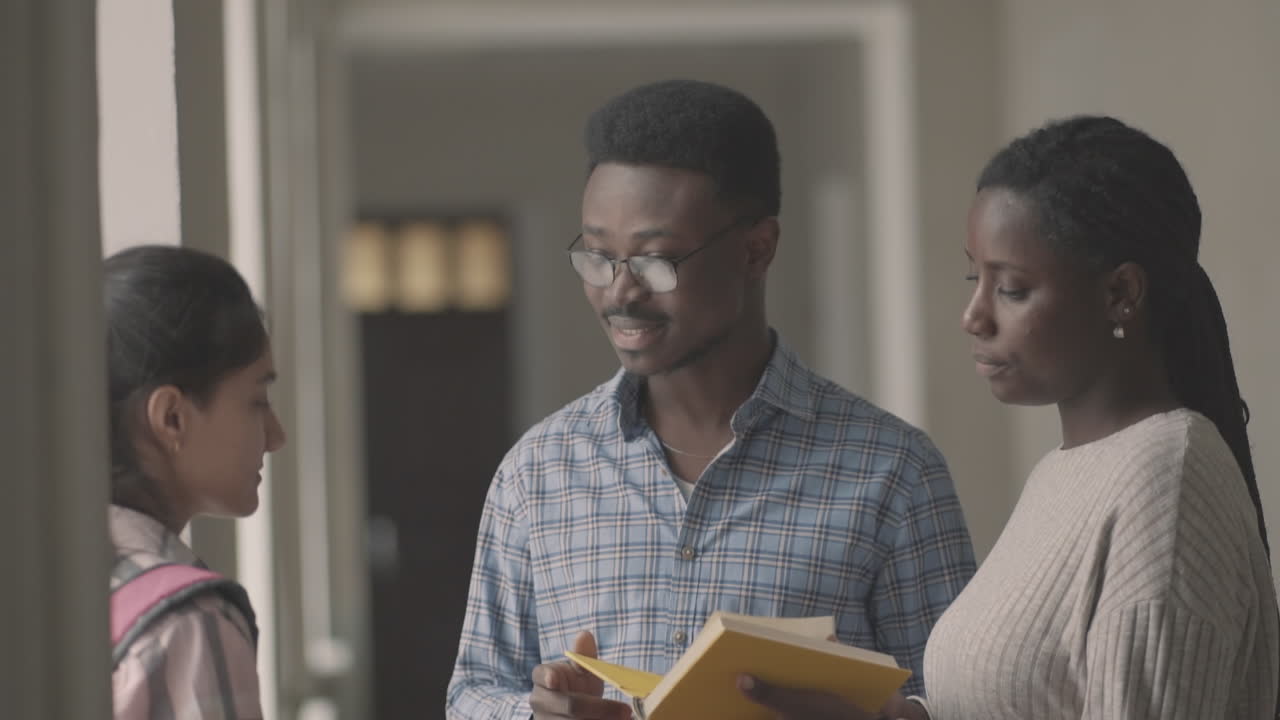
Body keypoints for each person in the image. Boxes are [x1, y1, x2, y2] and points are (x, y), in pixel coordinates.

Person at [445, 78, 976, 720]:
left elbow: (959, 702)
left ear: (757, 248)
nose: (618, 293)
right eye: (598, 256)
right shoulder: (538, 472)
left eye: (655, 261)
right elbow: (473, 691)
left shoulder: (893, 472)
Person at [740, 115, 1280, 719]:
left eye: (1012, 289)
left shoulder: (1166, 484)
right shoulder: (1066, 473)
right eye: (977, 277)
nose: (974, 316)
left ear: (1119, 292)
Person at [106, 245, 286, 719]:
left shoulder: (47, 580)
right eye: (258, 400)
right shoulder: (188, 626)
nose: (276, 436)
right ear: (172, 418)